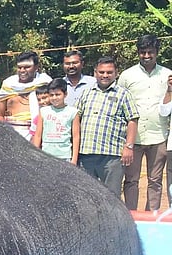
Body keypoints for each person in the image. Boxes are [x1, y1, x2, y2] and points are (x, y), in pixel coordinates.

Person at [118, 35, 170, 211]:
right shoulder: (127, 76)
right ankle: (131, 214)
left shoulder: (167, 75)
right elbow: (120, 105)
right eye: (143, 52)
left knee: (155, 180)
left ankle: (152, 215)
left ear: (157, 53)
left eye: (150, 52)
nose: (146, 56)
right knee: (131, 180)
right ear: (138, 53)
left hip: (159, 135)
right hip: (134, 138)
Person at [77, 56, 138, 195]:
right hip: (86, 153)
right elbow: (76, 119)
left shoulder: (124, 94)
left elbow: (133, 121)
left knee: (111, 196)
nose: (105, 75)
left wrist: (129, 147)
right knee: (86, 195)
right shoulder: (87, 93)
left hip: (112, 156)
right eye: (101, 72)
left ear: (116, 73)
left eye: (109, 72)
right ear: (95, 73)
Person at [0, 51, 51, 137]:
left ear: (36, 67)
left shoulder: (45, 83)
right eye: (19, 67)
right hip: (12, 134)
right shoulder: (8, 85)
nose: (22, 70)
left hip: (40, 133)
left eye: (27, 67)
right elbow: (0, 115)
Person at [33, 78, 79, 163]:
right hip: (46, 155)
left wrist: (74, 159)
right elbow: (38, 135)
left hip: (64, 156)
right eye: (51, 95)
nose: (54, 98)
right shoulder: (44, 111)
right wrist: (35, 154)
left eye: (58, 94)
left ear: (65, 94)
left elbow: (76, 137)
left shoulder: (73, 112)